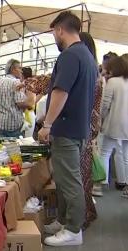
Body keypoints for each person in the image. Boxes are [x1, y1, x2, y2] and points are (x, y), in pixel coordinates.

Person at [40, 11, 97, 246]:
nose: (54, 36)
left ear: (61, 30)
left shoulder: (70, 56)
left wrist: (47, 124)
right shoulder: (87, 56)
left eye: (54, 31)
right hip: (78, 128)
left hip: (66, 129)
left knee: (70, 181)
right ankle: (64, 221)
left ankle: (73, 229)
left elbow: (60, 92)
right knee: (64, 180)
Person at [78, 32, 102, 228]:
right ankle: (87, 213)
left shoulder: (88, 72)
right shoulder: (95, 72)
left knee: (80, 176)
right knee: (84, 176)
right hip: (89, 127)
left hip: (82, 128)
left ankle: (83, 216)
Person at [99, 56, 128, 198]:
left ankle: (101, 184)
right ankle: (125, 184)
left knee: (105, 152)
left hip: (114, 123)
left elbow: (105, 104)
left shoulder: (112, 82)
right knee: (126, 156)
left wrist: (100, 118)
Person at [0, 59, 33, 137]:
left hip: (1, 123)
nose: (21, 71)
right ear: (12, 69)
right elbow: (22, 103)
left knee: (2, 148)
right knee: (15, 149)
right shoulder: (15, 82)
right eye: (20, 68)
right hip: (13, 125)